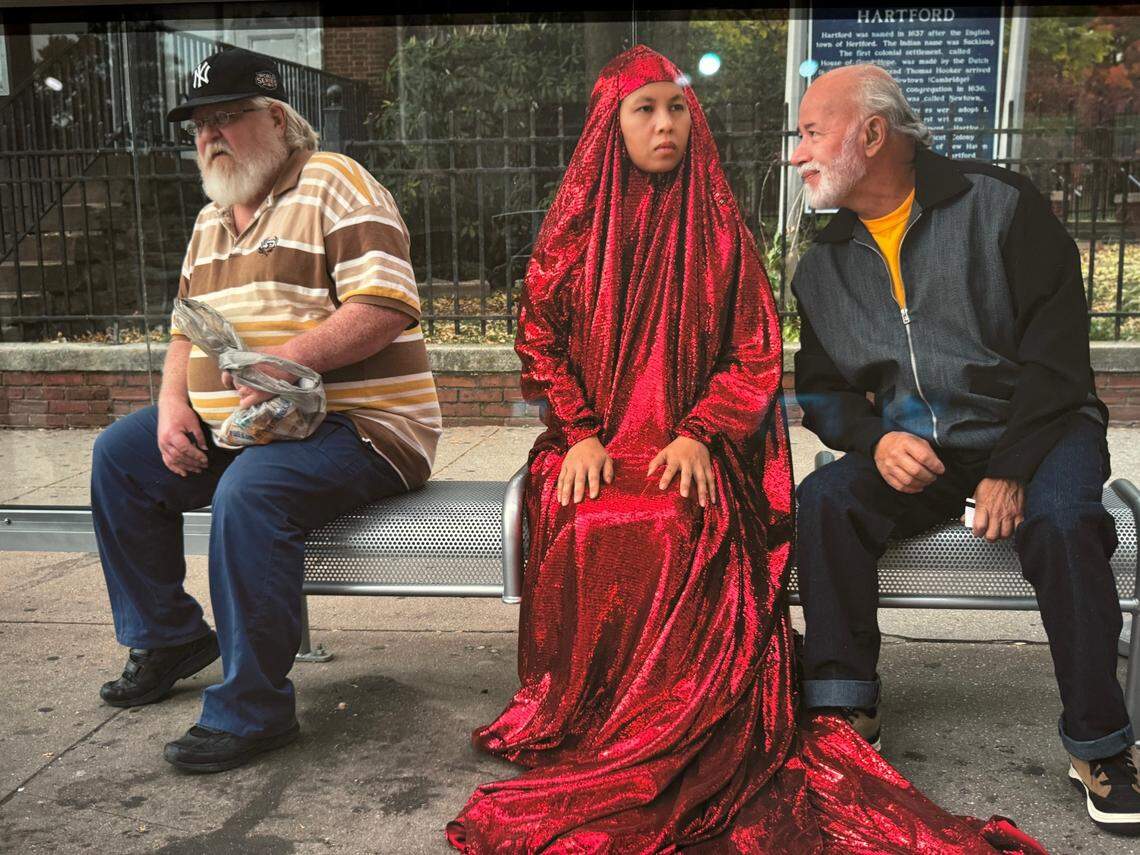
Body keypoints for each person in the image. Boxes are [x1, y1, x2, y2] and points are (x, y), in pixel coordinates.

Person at [447, 46, 1045, 853]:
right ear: (609, 126)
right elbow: (540, 339)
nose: (666, 124)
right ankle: (597, 710)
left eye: (677, 107)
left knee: (670, 520)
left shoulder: (720, 229)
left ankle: (680, 715)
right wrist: (581, 430)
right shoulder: (573, 231)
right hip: (593, 443)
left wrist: (698, 431)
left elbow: (755, 354)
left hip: (700, 448)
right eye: (645, 109)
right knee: (592, 518)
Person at [790, 63, 1135, 833]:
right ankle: (846, 710)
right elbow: (818, 389)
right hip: (924, 449)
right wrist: (876, 442)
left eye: (812, 132)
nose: (798, 152)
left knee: (1063, 523)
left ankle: (1100, 744)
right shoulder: (824, 260)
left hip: (1042, 432)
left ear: (872, 134)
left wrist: (1012, 466)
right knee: (826, 500)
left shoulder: (999, 206)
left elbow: (1059, 357)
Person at [91, 48, 440, 773]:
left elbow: (385, 306)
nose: (210, 135)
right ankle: (167, 636)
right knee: (120, 459)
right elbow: (185, 330)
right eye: (198, 125)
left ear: (276, 118)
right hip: (249, 428)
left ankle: (253, 708)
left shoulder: (333, 181)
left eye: (227, 117)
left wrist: (286, 360)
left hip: (366, 426)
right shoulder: (211, 220)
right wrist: (169, 405)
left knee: (250, 495)